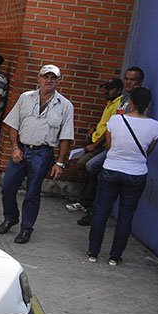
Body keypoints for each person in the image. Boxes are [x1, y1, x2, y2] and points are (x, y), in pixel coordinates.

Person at [0, 64, 74, 244]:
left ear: (59, 81)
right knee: (7, 187)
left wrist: (60, 162)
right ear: (39, 78)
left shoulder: (65, 106)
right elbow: (13, 125)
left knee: (32, 193)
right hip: (21, 149)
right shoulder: (25, 98)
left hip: (43, 153)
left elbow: (66, 137)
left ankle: (26, 229)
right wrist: (15, 147)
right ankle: (10, 217)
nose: (49, 80)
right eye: (46, 76)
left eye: (53, 78)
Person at [87, 87, 158, 265]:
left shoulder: (115, 120)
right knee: (126, 216)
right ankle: (114, 256)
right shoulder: (155, 126)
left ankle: (93, 252)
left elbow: (109, 146)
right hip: (136, 173)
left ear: (131, 102)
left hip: (111, 169)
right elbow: (148, 150)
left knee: (101, 212)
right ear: (148, 104)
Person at [77, 67, 145, 226]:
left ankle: (95, 210)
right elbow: (112, 124)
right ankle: (94, 209)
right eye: (126, 79)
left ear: (140, 82)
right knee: (94, 169)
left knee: (94, 167)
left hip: (121, 149)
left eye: (132, 79)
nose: (128, 82)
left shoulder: (138, 100)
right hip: (111, 146)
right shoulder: (123, 99)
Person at [65, 78, 123, 213]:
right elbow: (105, 122)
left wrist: (96, 144)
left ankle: (87, 201)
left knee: (88, 165)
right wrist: (94, 128)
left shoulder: (118, 104)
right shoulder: (110, 103)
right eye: (106, 88)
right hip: (95, 139)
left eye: (110, 89)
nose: (106, 91)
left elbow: (111, 127)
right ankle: (86, 200)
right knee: (89, 168)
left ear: (119, 90)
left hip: (101, 144)